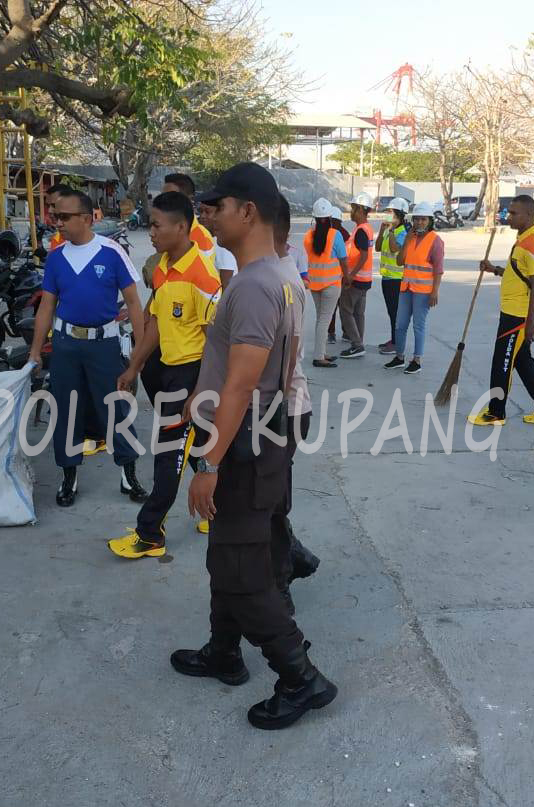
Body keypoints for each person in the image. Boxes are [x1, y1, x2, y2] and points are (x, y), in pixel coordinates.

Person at [173, 162, 336, 731]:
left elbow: (242, 383)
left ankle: (301, 679)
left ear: (248, 211)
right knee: (237, 545)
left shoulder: (255, 284)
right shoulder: (281, 274)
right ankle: (224, 648)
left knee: (238, 565)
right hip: (266, 428)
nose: (207, 218)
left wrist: (207, 461)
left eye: (215, 208)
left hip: (247, 437)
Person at [108, 192, 221, 559]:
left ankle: (150, 533)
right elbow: (153, 323)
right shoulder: (163, 267)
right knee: (198, 446)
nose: (151, 231)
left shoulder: (203, 276)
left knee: (168, 453)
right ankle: (215, 512)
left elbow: (215, 344)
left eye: (156, 225)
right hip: (166, 370)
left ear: (181, 227)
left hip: (190, 375)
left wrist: (199, 392)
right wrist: (135, 366)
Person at [27, 189, 149, 507]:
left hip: (104, 345)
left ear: (86, 217)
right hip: (66, 345)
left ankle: (128, 474)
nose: (59, 223)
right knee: (66, 411)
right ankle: (69, 477)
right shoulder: (56, 258)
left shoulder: (110, 253)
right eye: (56, 217)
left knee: (116, 409)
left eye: (65, 217)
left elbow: (135, 303)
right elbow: (46, 308)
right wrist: (35, 352)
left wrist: (140, 351)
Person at [468, 195, 534, 427]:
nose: (509, 217)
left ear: (529, 215)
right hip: (511, 310)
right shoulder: (523, 238)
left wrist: (530, 322)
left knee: (502, 362)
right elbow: (517, 273)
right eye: (509, 212)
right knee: (521, 360)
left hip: (517, 316)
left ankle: (496, 412)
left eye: (514, 213)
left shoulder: (533, 243)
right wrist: (494, 269)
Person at [272, 194, 320, 613]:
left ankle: (282, 580)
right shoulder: (272, 273)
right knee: (268, 499)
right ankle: (294, 557)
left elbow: (286, 362)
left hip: (282, 409)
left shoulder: (282, 282)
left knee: (267, 501)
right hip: (281, 408)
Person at [384, 202, 443, 375]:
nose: (419, 223)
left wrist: (435, 292)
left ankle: (417, 360)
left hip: (423, 292)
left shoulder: (435, 241)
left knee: (419, 326)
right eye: (416, 219)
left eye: (423, 219)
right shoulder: (411, 237)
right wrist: (408, 240)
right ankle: (399, 357)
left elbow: (438, 270)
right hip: (406, 288)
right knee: (400, 324)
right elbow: (400, 261)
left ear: (430, 221)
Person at [163, 173, 239, 287]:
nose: (163, 202)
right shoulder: (172, 233)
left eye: (170, 197)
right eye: (201, 211)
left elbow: (221, 284)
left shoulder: (206, 238)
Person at [305, 197, 349, 368]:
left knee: (320, 319)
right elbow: (343, 260)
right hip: (331, 284)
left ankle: (321, 352)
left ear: (314, 218)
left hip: (315, 285)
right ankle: (318, 357)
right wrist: (347, 277)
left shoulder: (308, 236)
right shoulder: (335, 235)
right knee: (324, 320)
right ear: (330, 218)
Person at [337, 193, 375, 360]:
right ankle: (359, 342)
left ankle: (357, 345)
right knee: (359, 312)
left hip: (357, 279)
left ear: (360, 209)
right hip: (364, 280)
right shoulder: (365, 228)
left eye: (353, 208)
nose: (351, 212)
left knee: (346, 311)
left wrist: (350, 275)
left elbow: (364, 256)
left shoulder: (361, 231)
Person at [376, 198, 410, 354]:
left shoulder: (403, 232)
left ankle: (397, 343)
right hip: (386, 278)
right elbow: (377, 247)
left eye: (391, 213)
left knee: (396, 312)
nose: (388, 215)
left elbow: (394, 248)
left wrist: (390, 231)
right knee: (391, 312)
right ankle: (393, 339)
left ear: (400, 216)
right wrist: (382, 230)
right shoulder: (389, 230)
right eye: (387, 212)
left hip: (396, 279)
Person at [326, 211, 351, 345]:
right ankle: (345, 332)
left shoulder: (332, 233)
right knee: (343, 305)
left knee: (333, 307)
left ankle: (331, 333)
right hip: (339, 275)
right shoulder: (345, 233)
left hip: (333, 276)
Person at [44, 184, 75, 252]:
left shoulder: (82, 241)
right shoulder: (58, 238)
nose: (49, 211)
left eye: (54, 205)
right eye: (48, 206)